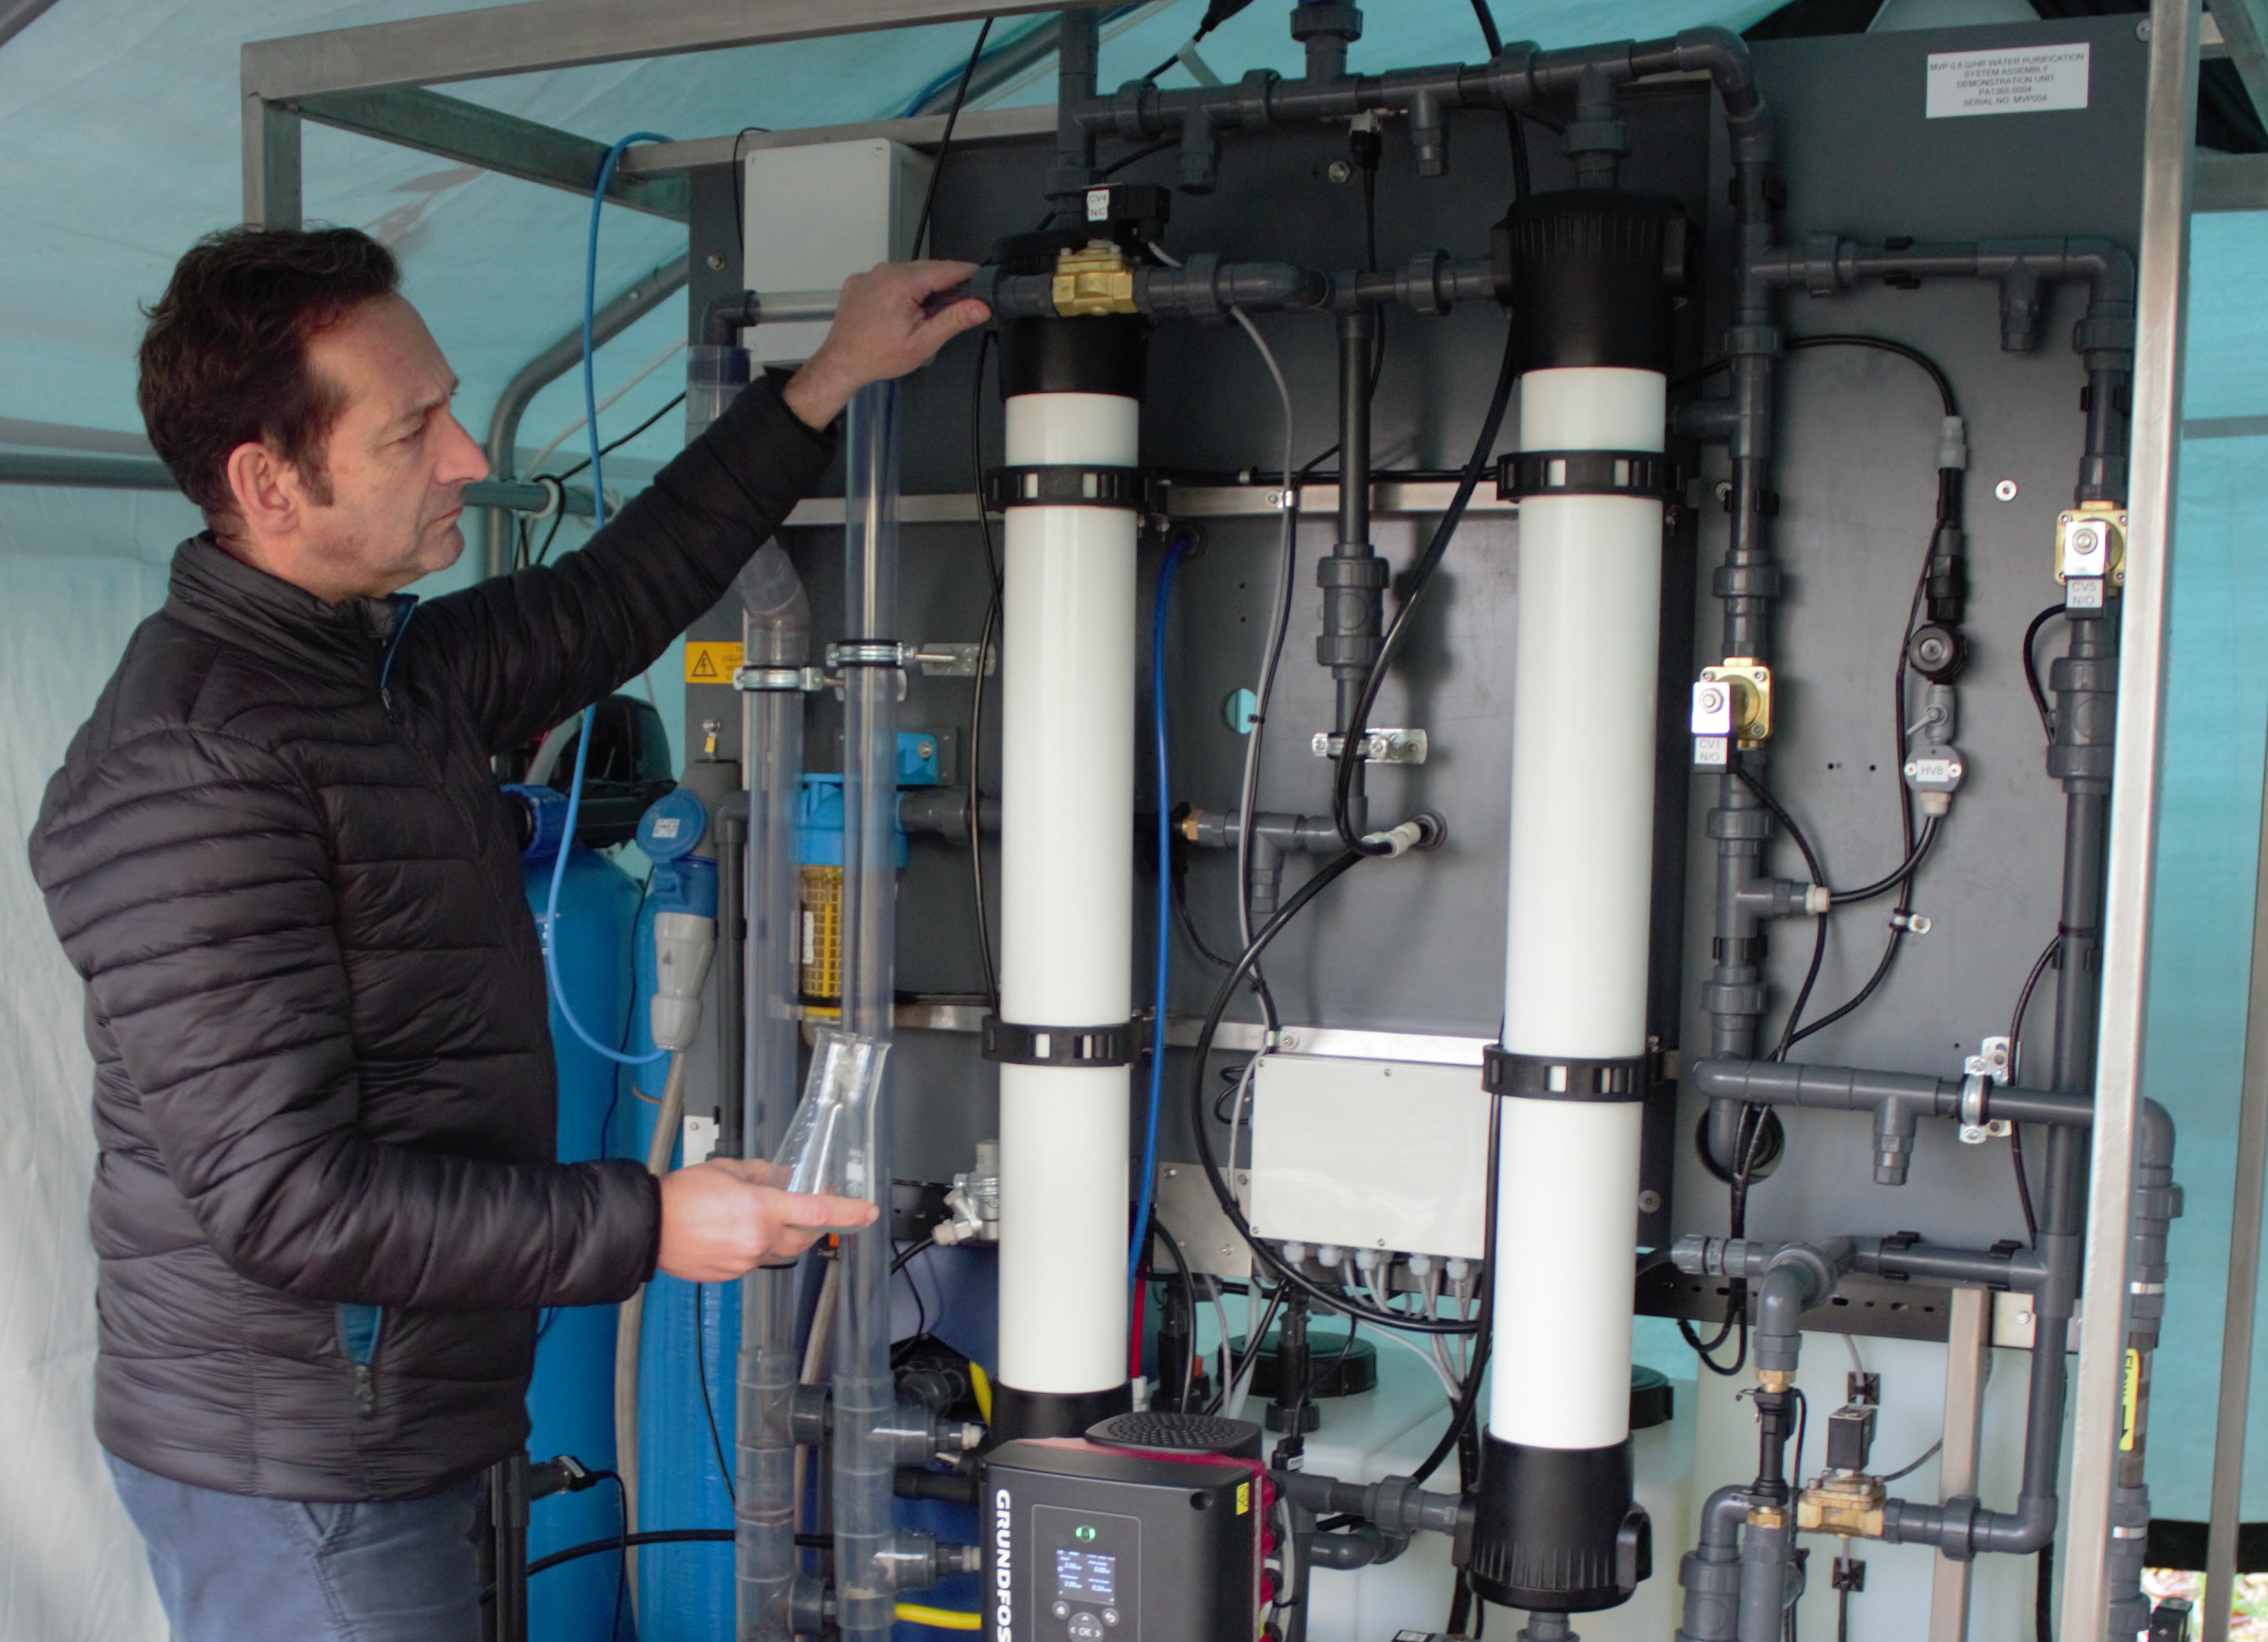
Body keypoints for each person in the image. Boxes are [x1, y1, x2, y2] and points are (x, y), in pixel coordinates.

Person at [25, 225, 988, 1642]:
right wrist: (650, 1219)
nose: (469, 457)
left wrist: (820, 383)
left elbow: (613, 597)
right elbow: (287, 1201)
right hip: (304, 1467)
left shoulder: (375, 672)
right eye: (414, 429)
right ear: (268, 483)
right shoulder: (194, 770)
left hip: (412, 1413)